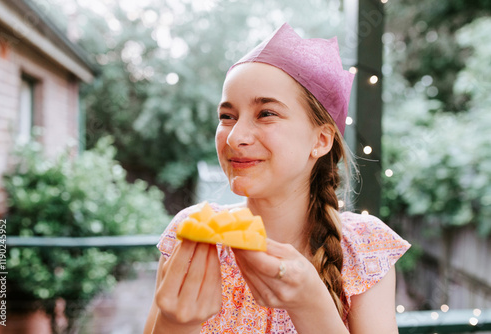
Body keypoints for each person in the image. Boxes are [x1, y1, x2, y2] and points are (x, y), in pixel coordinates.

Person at [144, 23, 411, 334]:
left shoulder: (365, 248)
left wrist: (312, 304)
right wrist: (175, 324)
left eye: (266, 113)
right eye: (227, 117)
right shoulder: (190, 234)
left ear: (321, 140)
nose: (235, 138)